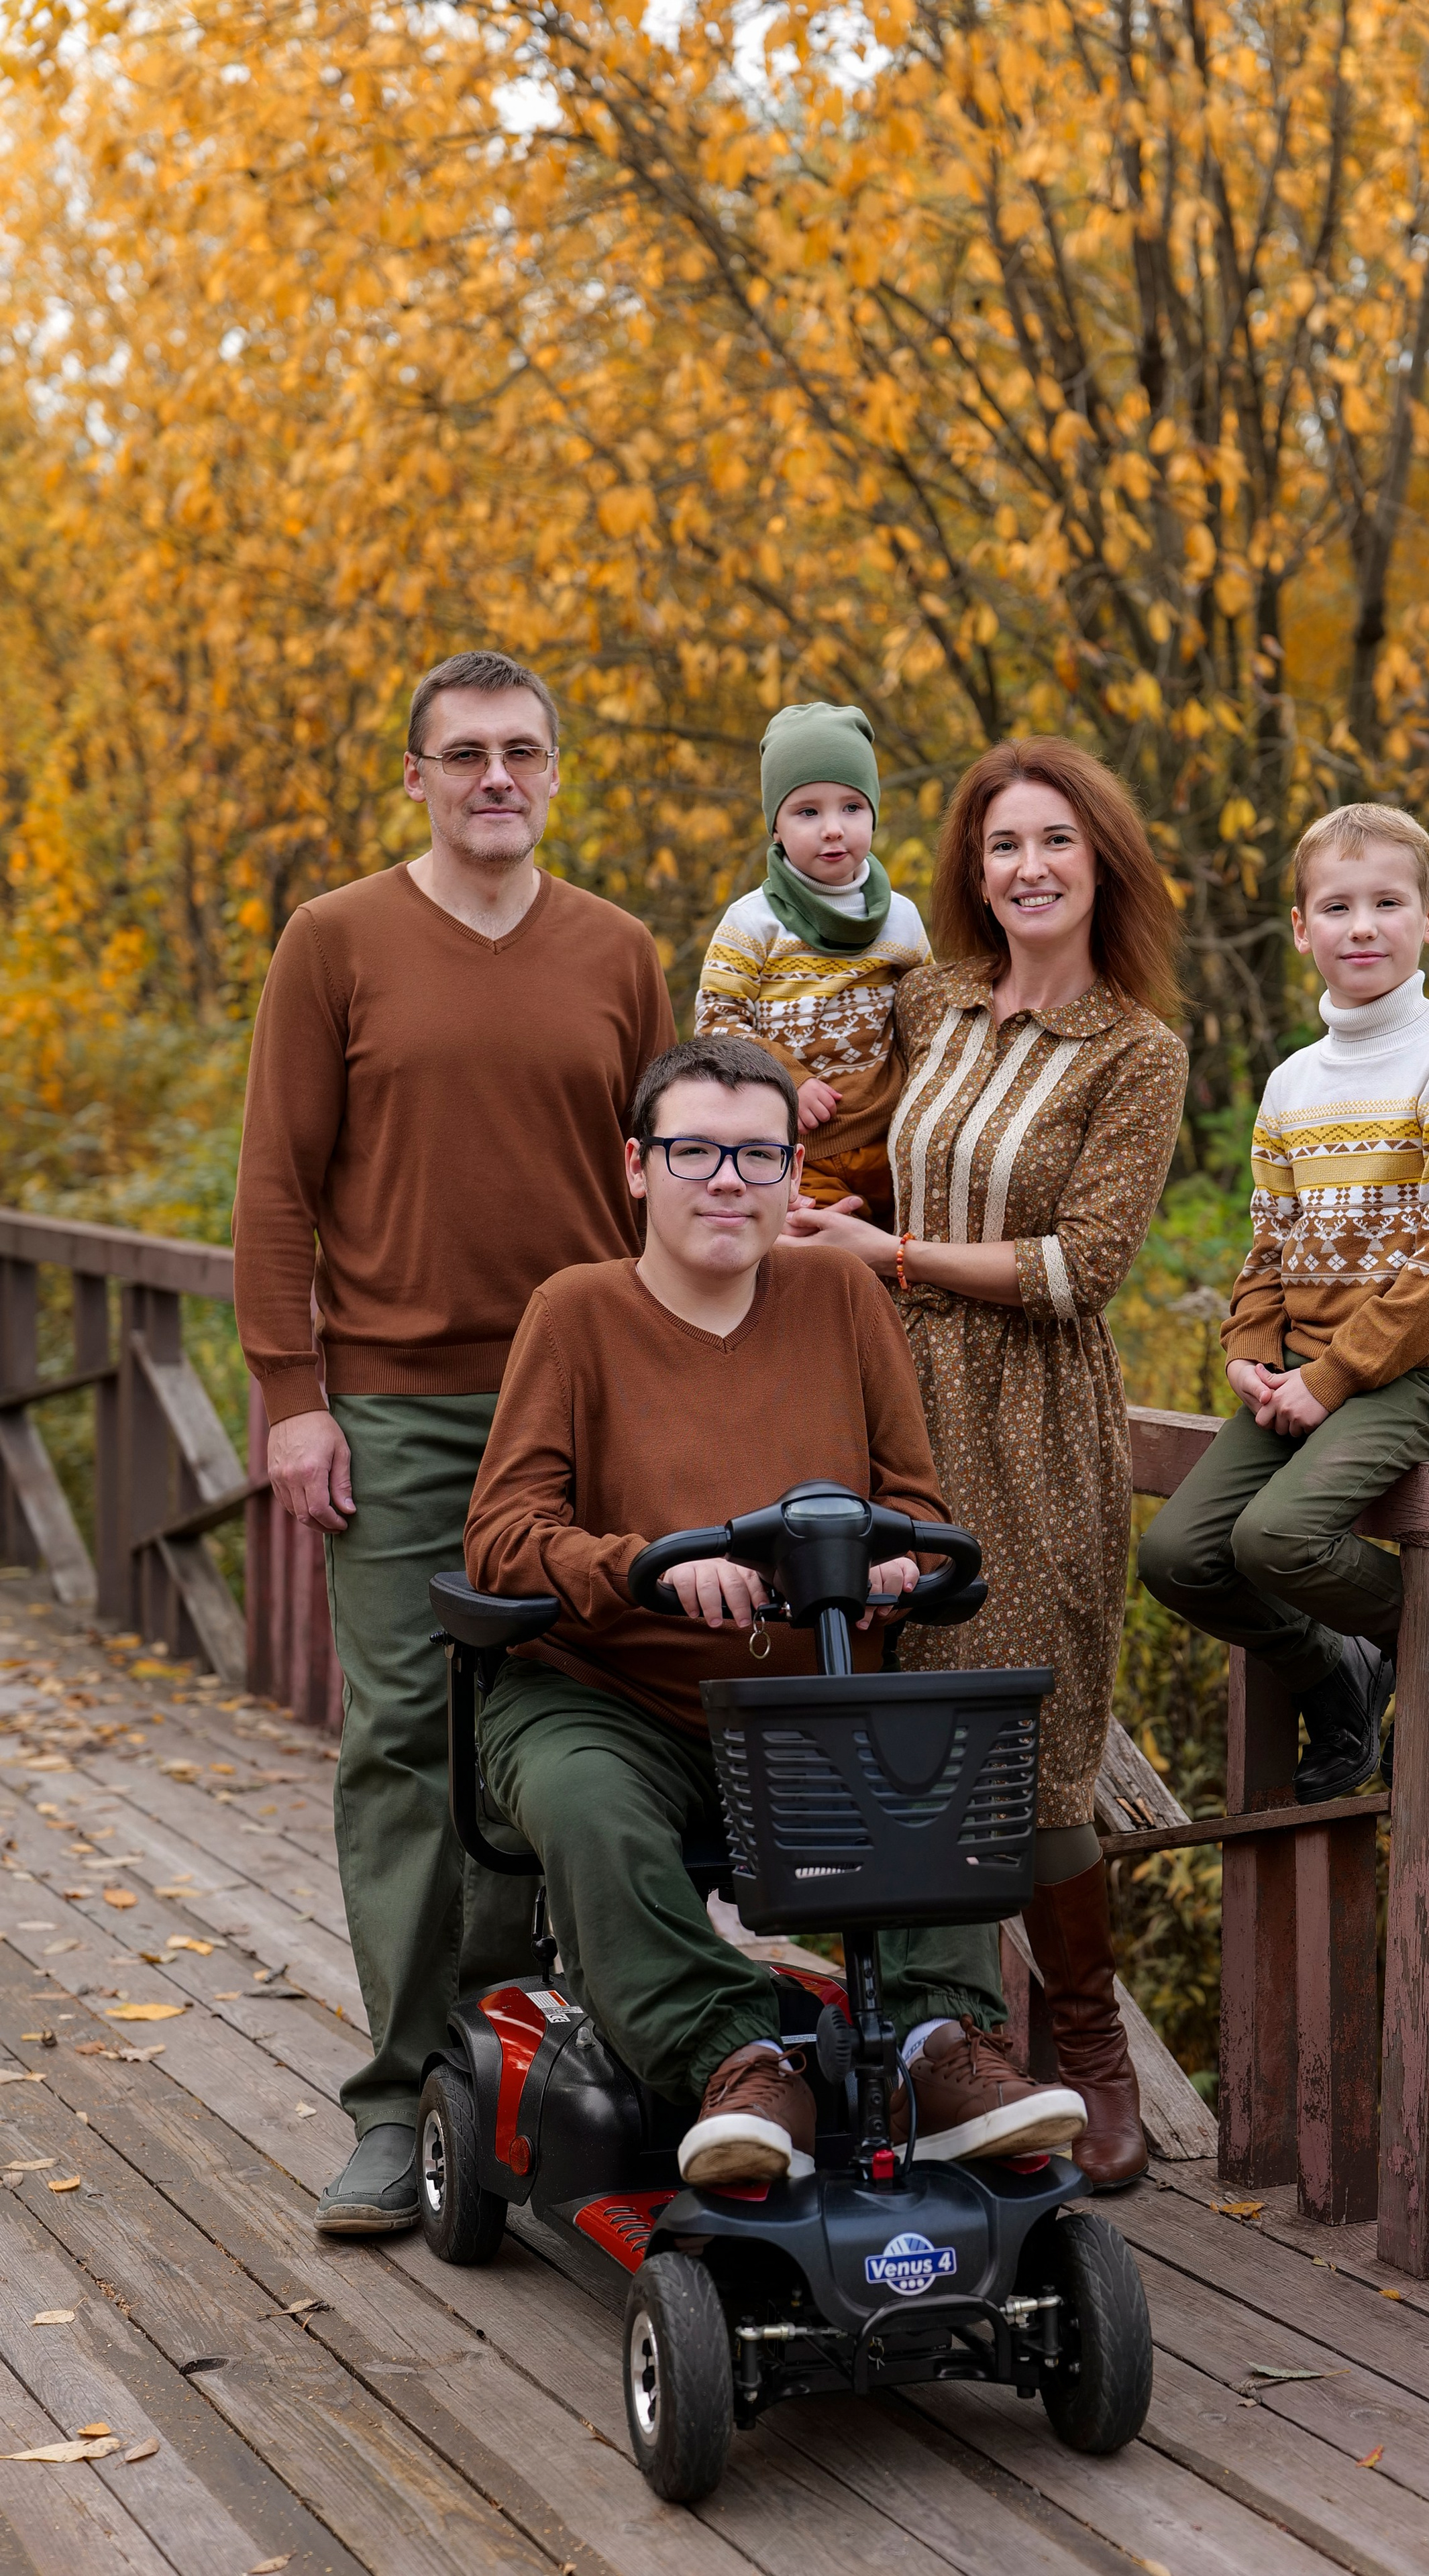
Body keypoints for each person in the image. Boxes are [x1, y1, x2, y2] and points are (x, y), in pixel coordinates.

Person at [462, 1034, 1088, 2184]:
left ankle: (943, 2046)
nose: (727, 1181)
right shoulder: (576, 1312)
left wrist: (898, 1557)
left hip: (810, 1696)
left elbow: (914, 1501)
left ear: (793, 1173)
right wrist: (645, 1568)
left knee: (934, 1765)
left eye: (757, 1156)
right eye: (694, 1152)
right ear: (638, 1167)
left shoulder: (842, 1295)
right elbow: (501, 1538)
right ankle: (736, 2060)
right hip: (610, 1696)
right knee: (588, 1804)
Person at [233, 648, 676, 2234]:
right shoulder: (337, 940)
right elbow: (276, 1180)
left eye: (522, 750)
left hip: (584, 1408)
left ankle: (524, 2073)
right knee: (410, 1746)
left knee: (573, 1733)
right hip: (398, 1409)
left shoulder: (619, 952)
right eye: (466, 752)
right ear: (416, 776)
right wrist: (293, 1393)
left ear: (555, 770)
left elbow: (670, 1177)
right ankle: (397, 2094)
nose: (497, 776)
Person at [779, 739, 1187, 2192]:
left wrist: (887, 1254)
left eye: (1055, 841)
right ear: (971, 869)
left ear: (1101, 863)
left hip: (1029, 1415)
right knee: (883, 1713)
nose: (1028, 868)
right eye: (1003, 844)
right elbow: (823, 1100)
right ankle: (931, 2042)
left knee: (1033, 1738)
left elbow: (1084, 1267)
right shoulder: (929, 1000)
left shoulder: (1135, 1051)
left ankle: (1089, 2046)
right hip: (880, 1393)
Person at [1138, 802, 1429, 1799]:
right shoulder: (1294, 1082)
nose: (1362, 927)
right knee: (1177, 1555)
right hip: (1305, 1375)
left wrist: (1334, 1378)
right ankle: (1335, 1669)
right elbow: (1271, 1242)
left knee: (1277, 1539)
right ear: (1302, 930)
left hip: (1425, 1376)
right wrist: (1250, 1349)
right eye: (1337, 907)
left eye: (1387, 903)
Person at [696, 702, 930, 1224]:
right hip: (799, 1150)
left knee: (901, 1261)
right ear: (775, 827)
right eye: (808, 812)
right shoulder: (751, 923)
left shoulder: (901, 919)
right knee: (820, 1255)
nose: (833, 829)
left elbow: (928, 1024)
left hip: (893, 1142)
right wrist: (788, 1081)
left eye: (852, 807)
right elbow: (716, 1025)